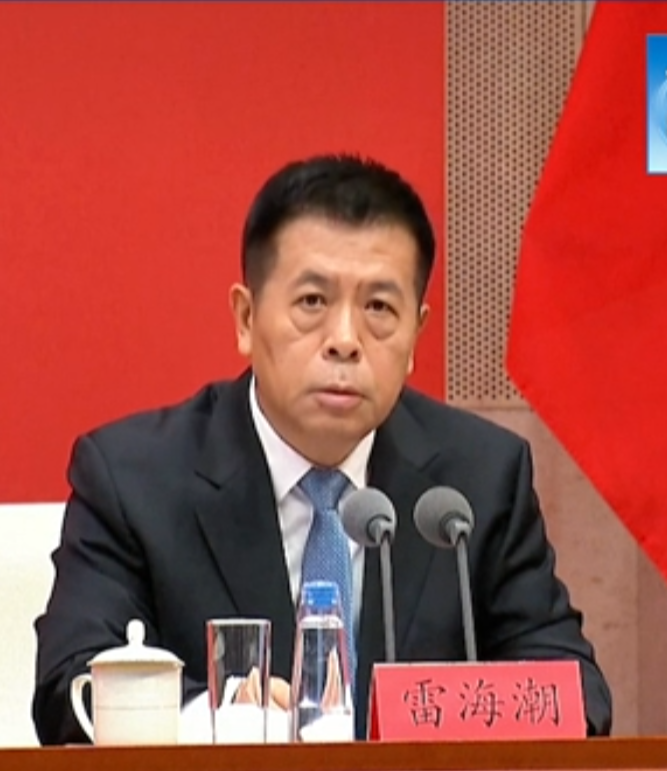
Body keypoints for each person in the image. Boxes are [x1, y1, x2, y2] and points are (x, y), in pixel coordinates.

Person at [33, 154, 612, 744]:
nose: (344, 340)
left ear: (416, 333)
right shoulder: (134, 480)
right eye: (312, 302)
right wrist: (217, 718)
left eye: (379, 308)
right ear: (246, 318)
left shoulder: (478, 481)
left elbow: (577, 691)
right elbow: (68, 691)